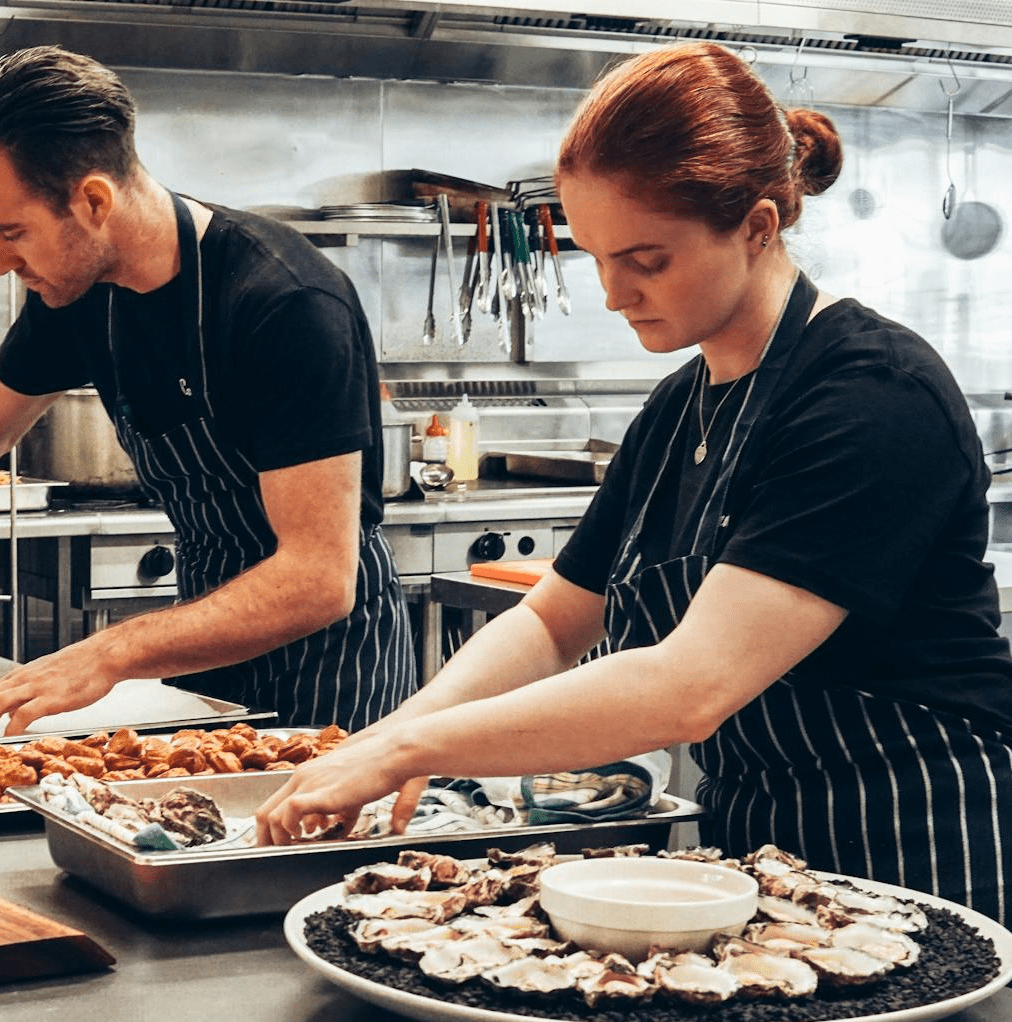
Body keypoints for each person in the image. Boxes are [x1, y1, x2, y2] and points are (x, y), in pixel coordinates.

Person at [257, 41, 1012, 925]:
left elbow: (690, 686)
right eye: (598, 257)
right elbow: (552, 620)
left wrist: (414, 746)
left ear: (759, 227)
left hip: (917, 846)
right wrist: (390, 738)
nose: (614, 294)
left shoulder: (871, 395)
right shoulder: (675, 409)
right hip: (763, 856)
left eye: (646, 260)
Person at [0, 46, 415, 738]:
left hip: (335, 677)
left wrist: (109, 653)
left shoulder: (283, 301)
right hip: (205, 651)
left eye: (12, 233)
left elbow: (317, 577)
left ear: (93, 200)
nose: (1, 262)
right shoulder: (81, 295)